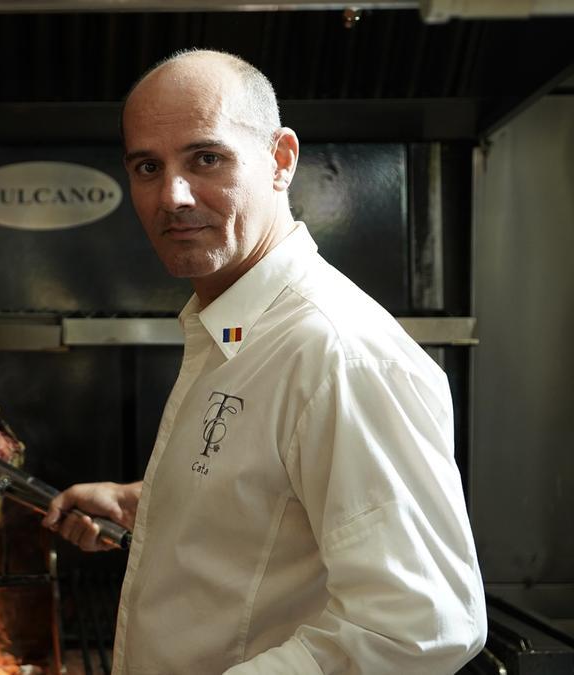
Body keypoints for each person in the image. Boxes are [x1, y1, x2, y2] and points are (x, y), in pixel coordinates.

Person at [43, 49, 487, 674]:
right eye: (148, 166)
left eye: (206, 158)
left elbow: (418, 625)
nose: (172, 196)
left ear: (281, 160)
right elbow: (284, 502)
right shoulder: (230, 326)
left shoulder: (341, 354)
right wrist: (153, 506)